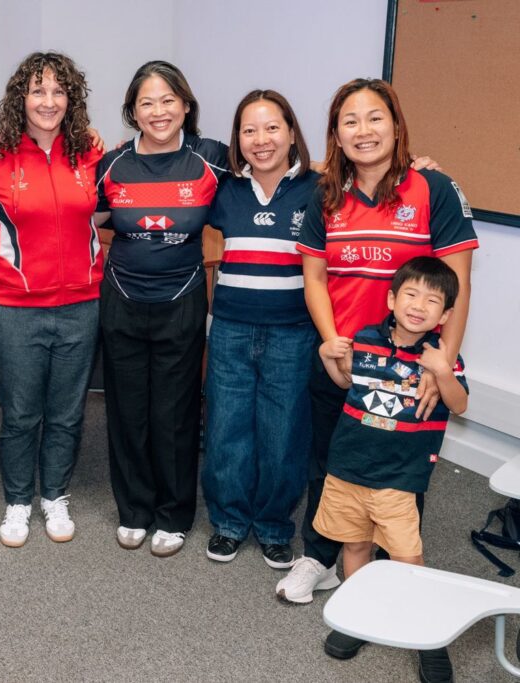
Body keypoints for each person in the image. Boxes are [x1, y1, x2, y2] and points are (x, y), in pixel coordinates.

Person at [278, 78, 477, 677]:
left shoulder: (433, 187)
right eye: (349, 121)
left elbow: (456, 283)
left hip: (412, 368)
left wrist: (441, 361)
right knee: (330, 464)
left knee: (401, 486)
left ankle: (408, 603)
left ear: (395, 124)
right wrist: (330, 343)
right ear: (336, 134)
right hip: (344, 361)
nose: (363, 131)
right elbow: (315, 278)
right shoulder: (326, 195)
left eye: (374, 118)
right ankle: (337, 576)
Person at [0, 52, 103, 547]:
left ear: (72, 99)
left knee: (68, 413)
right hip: (16, 310)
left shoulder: (90, 153)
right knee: (21, 414)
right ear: (20, 99)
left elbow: (117, 209)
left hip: (81, 306)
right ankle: (18, 501)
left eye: (58, 91)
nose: (49, 101)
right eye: (38, 91)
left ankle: (55, 496)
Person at [94, 60, 227, 557]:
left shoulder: (211, 158)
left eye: (168, 100)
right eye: (146, 103)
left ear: (186, 105)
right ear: (132, 111)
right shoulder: (111, 164)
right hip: (122, 301)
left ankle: (173, 515)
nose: (158, 111)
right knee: (127, 410)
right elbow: (80, 210)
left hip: (182, 301)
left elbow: (280, 163)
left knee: (174, 412)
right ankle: (134, 509)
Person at [313, 256, 467, 679]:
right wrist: (328, 357)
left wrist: (442, 372)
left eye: (432, 301)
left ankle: (428, 637)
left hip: (398, 478)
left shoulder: (443, 357)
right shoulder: (365, 340)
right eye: (411, 295)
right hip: (347, 468)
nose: (419, 306)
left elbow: (459, 404)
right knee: (354, 547)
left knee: (407, 560)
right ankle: (359, 616)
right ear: (392, 299)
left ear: (445, 315)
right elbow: (346, 384)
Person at [199, 90, 320, 568]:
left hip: (292, 332)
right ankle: (229, 522)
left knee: (283, 432)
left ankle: (273, 526)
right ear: (237, 139)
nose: (261, 139)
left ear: (291, 132)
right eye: (249, 130)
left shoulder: (321, 188)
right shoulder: (224, 189)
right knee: (226, 428)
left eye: (272, 128)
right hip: (230, 328)